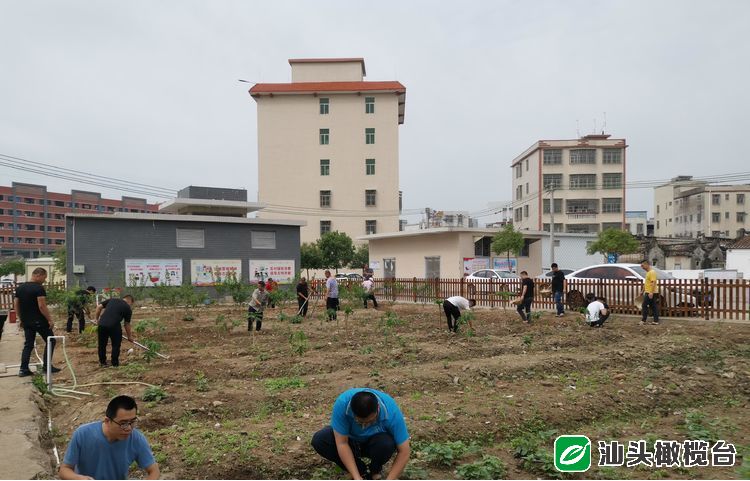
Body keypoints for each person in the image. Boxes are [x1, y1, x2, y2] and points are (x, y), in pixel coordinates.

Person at [311, 388, 411, 480]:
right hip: (350, 441)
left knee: (386, 444)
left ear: (378, 408)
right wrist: (356, 477)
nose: (364, 426)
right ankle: (360, 471)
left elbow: (404, 451)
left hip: (374, 443)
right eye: (360, 422)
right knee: (320, 440)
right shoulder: (342, 404)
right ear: (353, 413)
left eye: (370, 421)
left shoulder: (391, 410)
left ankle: (374, 470)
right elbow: (342, 444)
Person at [59, 395, 160, 480]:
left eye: (132, 422)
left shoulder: (136, 439)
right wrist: (80, 478)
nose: (128, 428)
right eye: (123, 423)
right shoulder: (83, 434)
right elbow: (64, 470)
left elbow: (154, 470)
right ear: (107, 421)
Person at [15, 267, 59, 377]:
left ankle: (23, 369)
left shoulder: (20, 288)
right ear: (38, 275)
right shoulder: (38, 288)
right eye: (44, 277)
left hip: (27, 322)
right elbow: (41, 305)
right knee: (51, 341)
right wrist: (49, 319)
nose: (44, 280)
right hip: (39, 321)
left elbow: (16, 304)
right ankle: (47, 366)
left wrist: (21, 318)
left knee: (28, 344)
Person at [94, 295, 134, 368]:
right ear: (130, 301)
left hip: (102, 324)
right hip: (114, 326)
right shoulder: (128, 308)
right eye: (131, 304)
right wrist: (129, 336)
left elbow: (99, 307)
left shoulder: (112, 300)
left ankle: (102, 362)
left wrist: (97, 319)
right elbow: (126, 324)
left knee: (102, 344)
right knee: (116, 345)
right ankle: (114, 363)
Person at [640, 260, 660, 325]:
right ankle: (656, 321)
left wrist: (651, 292)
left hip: (651, 292)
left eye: (642, 265)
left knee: (644, 305)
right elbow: (646, 283)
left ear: (647, 264)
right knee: (653, 306)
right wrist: (642, 291)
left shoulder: (652, 272)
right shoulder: (648, 273)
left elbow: (653, 282)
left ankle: (643, 320)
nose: (641, 267)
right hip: (649, 292)